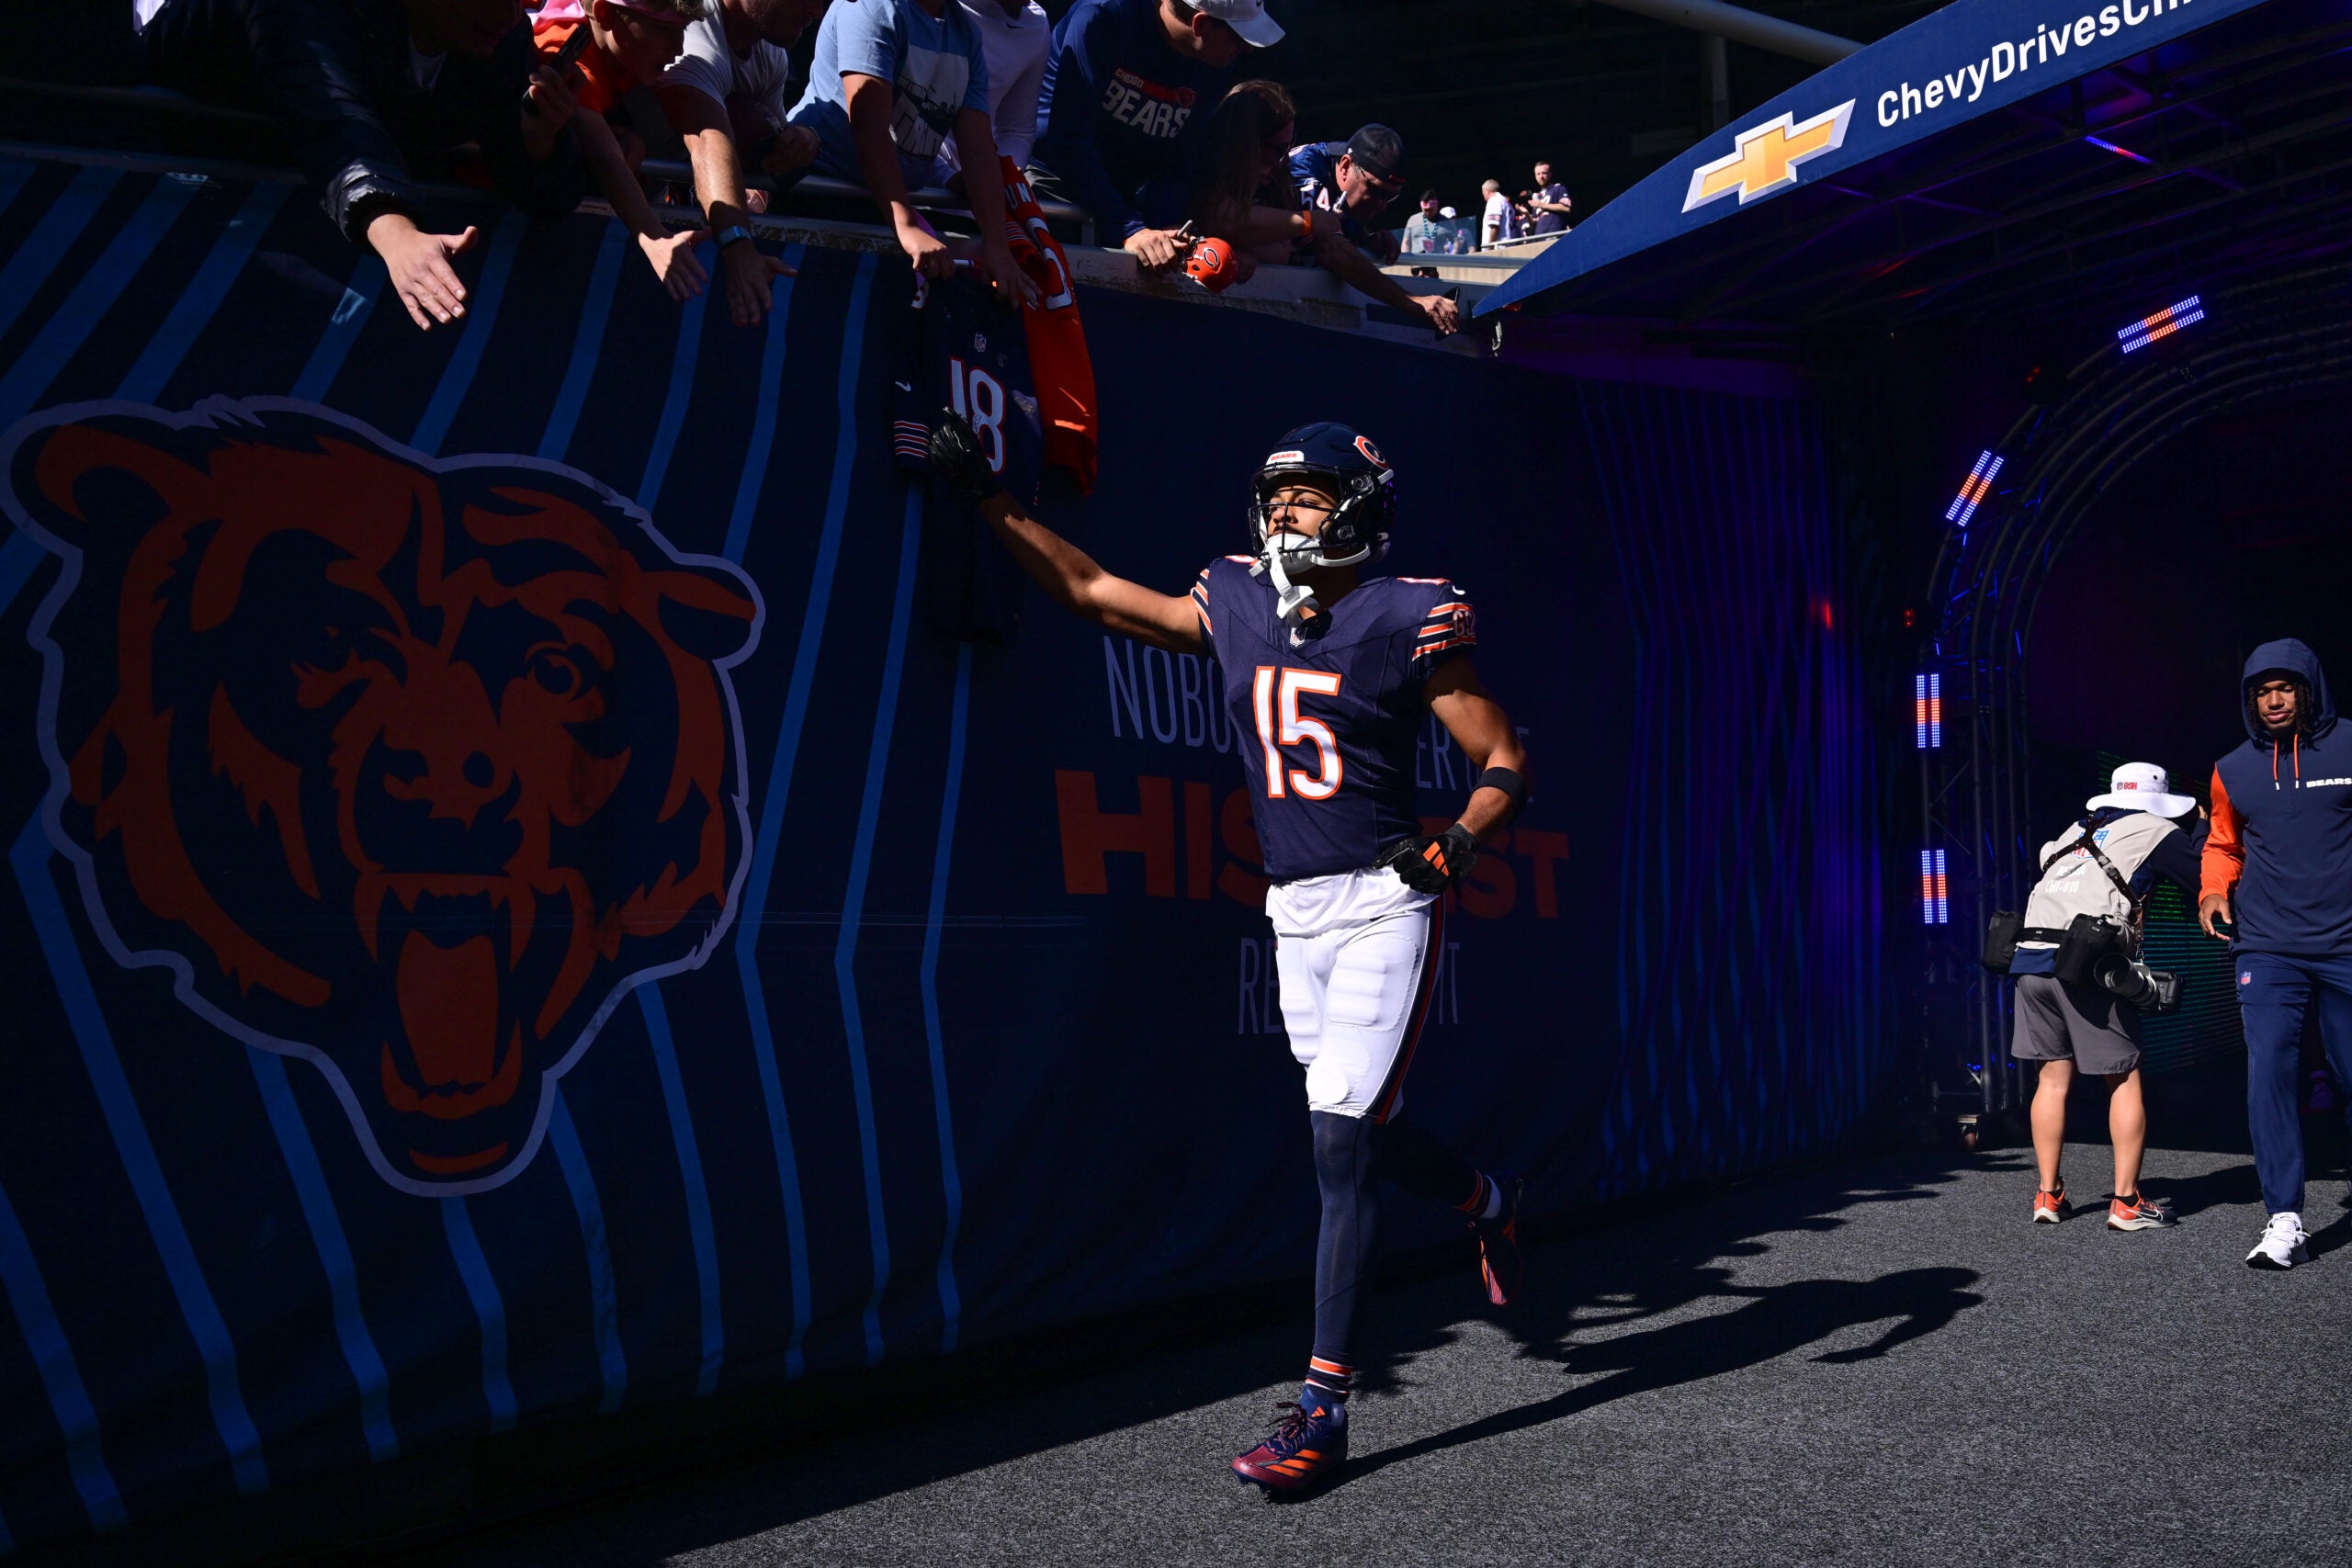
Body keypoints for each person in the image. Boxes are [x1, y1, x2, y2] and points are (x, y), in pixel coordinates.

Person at [926, 413, 1530, 1495]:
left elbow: (1500, 759)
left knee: (1338, 1146)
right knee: (1365, 1134)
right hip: (1292, 907)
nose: (1287, 508)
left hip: (1386, 898)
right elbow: (1094, 594)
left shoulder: (1409, 616)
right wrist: (989, 499)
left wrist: (1461, 837)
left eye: (1310, 493)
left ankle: (1321, 1409)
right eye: (1280, 493)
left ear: (1360, 506)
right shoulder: (1238, 594)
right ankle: (1484, 1199)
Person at [137, 0, 588, 331]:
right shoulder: (300, 11)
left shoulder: (502, 43)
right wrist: (397, 236)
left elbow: (531, 175)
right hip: (174, 221)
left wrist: (538, 141)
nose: (509, 15)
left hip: (312, 228)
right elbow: (331, 117)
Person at [2199, 640, 2352, 1270]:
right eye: (2262, 691)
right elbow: (2223, 842)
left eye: (2285, 687)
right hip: (2267, 943)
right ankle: (2284, 1216)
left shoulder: (2348, 745)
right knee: (2269, 1076)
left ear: (2309, 687)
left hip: (2344, 942)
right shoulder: (2233, 767)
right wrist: (2212, 888)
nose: (2274, 700)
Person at [2008, 762, 2202, 1231]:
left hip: (2031, 960)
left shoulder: (2072, 831)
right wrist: (2204, 828)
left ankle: (2048, 1195)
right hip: (2090, 965)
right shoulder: (2155, 830)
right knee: (2124, 1079)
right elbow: (2204, 880)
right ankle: (2127, 1203)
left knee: (2052, 1079)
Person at [785, 0, 1033, 299]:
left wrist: (998, 246)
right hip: (818, 197)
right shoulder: (871, 6)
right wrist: (907, 227)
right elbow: (869, 127)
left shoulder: (965, 33)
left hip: (884, 209)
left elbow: (979, 150)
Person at [1030, 0, 1282, 273]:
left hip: (1122, 205)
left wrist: (1166, 226)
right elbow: (1067, 141)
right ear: (1200, 24)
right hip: (1050, 193)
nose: (1245, 49)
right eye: (1238, 38)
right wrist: (1129, 228)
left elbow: (1180, 158)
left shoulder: (1214, 58)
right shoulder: (1103, 18)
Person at [655, 0, 829, 327]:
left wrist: (803, 141)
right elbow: (709, 141)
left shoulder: (771, 53)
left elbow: (765, 149)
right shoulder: (692, 30)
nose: (817, 11)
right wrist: (738, 244)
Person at [533, 0, 713, 301]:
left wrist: (627, 133)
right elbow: (605, 158)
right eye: (664, 29)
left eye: (682, 30)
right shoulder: (565, 55)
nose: (679, 48)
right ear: (605, 14)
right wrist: (654, 237)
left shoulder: (628, 55)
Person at [1287, 126, 1459, 336]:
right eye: (1377, 192)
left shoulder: (1351, 178)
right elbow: (1329, 247)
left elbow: (1339, 226)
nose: (1382, 206)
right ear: (1345, 166)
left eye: (1390, 197)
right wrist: (1412, 301)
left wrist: (1366, 239)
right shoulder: (1305, 166)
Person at [1185, 80, 1334, 275]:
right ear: (1244, 144)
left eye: (1289, 146)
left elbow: (1280, 250)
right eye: (1278, 149)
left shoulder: (1278, 179)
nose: (1284, 159)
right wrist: (1308, 222)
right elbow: (1220, 219)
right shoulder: (1194, 167)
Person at [933, 0, 1052, 191]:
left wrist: (1003, 174)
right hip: (899, 190)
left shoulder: (1036, 25)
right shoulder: (923, 7)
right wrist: (946, 177)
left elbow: (1016, 131)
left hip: (974, 205)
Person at [1526, 158, 1571, 233]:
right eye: (1538, 174)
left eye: (1544, 173)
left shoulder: (1558, 189)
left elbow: (1566, 208)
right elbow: (1534, 223)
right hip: (1539, 238)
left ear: (1550, 174)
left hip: (1554, 235)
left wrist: (1541, 205)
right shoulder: (1537, 196)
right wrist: (1526, 213)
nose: (1541, 176)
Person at [1401, 190, 1442, 254]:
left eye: (1430, 210)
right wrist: (1407, 261)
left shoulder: (1446, 221)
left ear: (1436, 206)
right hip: (1417, 262)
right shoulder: (1413, 219)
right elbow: (1406, 242)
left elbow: (1456, 241)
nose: (1428, 213)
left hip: (1438, 262)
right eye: (1425, 210)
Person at [1478, 177, 1510, 249]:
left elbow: (1494, 226)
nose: (1483, 194)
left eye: (1483, 191)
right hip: (1505, 246)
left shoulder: (1494, 200)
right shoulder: (1504, 200)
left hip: (1497, 248)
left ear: (1487, 191)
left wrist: (1489, 248)